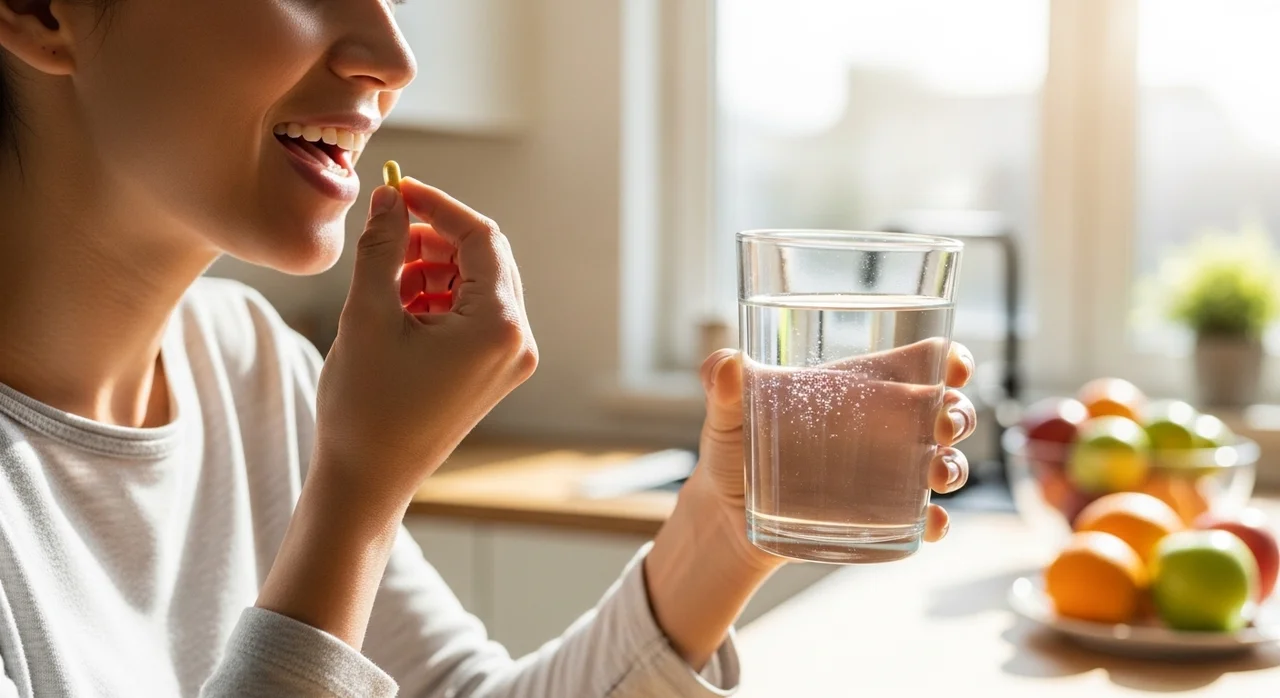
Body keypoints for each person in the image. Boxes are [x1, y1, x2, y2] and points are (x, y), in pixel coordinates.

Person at [0, 1, 978, 696]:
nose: (393, 55)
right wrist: (356, 495)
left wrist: (721, 531)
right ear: (41, 11)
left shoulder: (249, 363)